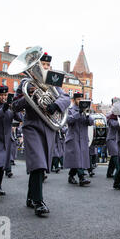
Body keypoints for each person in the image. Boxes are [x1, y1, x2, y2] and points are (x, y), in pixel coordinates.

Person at [12, 52, 71, 216]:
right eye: (42, 65)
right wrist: (28, 95)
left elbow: (66, 99)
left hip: (49, 127)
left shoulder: (53, 81)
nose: (45, 67)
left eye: (47, 65)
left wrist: (55, 105)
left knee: (41, 165)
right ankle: (39, 202)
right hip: (32, 127)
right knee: (38, 162)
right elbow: (15, 106)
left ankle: (31, 197)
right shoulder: (25, 82)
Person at [64, 92, 93, 187]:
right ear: (74, 100)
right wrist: (79, 112)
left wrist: (87, 115)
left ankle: (71, 176)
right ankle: (82, 178)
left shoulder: (86, 109)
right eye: (78, 99)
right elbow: (69, 121)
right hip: (74, 138)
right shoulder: (70, 110)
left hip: (83, 138)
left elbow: (91, 123)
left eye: (81, 99)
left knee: (78, 159)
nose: (80, 101)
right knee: (77, 158)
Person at [106, 97, 120, 178]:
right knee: (115, 156)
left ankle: (109, 173)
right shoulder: (109, 114)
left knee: (113, 156)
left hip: (118, 138)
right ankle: (119, 175)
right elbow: (114, 124)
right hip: (111, 138)